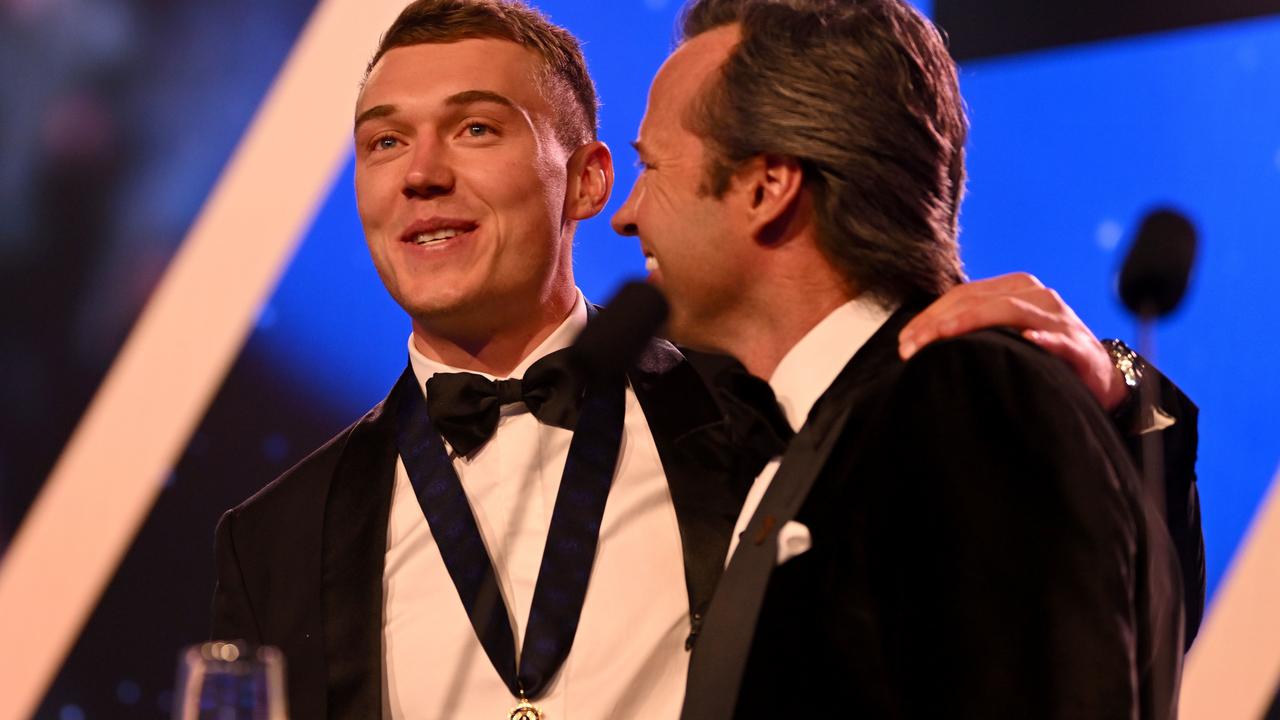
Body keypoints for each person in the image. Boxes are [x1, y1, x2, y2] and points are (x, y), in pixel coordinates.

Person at [212, 1, 1200, 719]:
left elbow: (1072, 612)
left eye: (475, 128)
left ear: (589, 180)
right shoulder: (275, 540)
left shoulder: (775, 405)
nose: (421, 174)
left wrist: (1115, 378)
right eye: (383, 143)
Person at [607, 0, 1193, 717]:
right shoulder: (852, 417)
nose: (626, 214)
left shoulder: (961, 399)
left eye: (651, 167)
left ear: (767, 186)